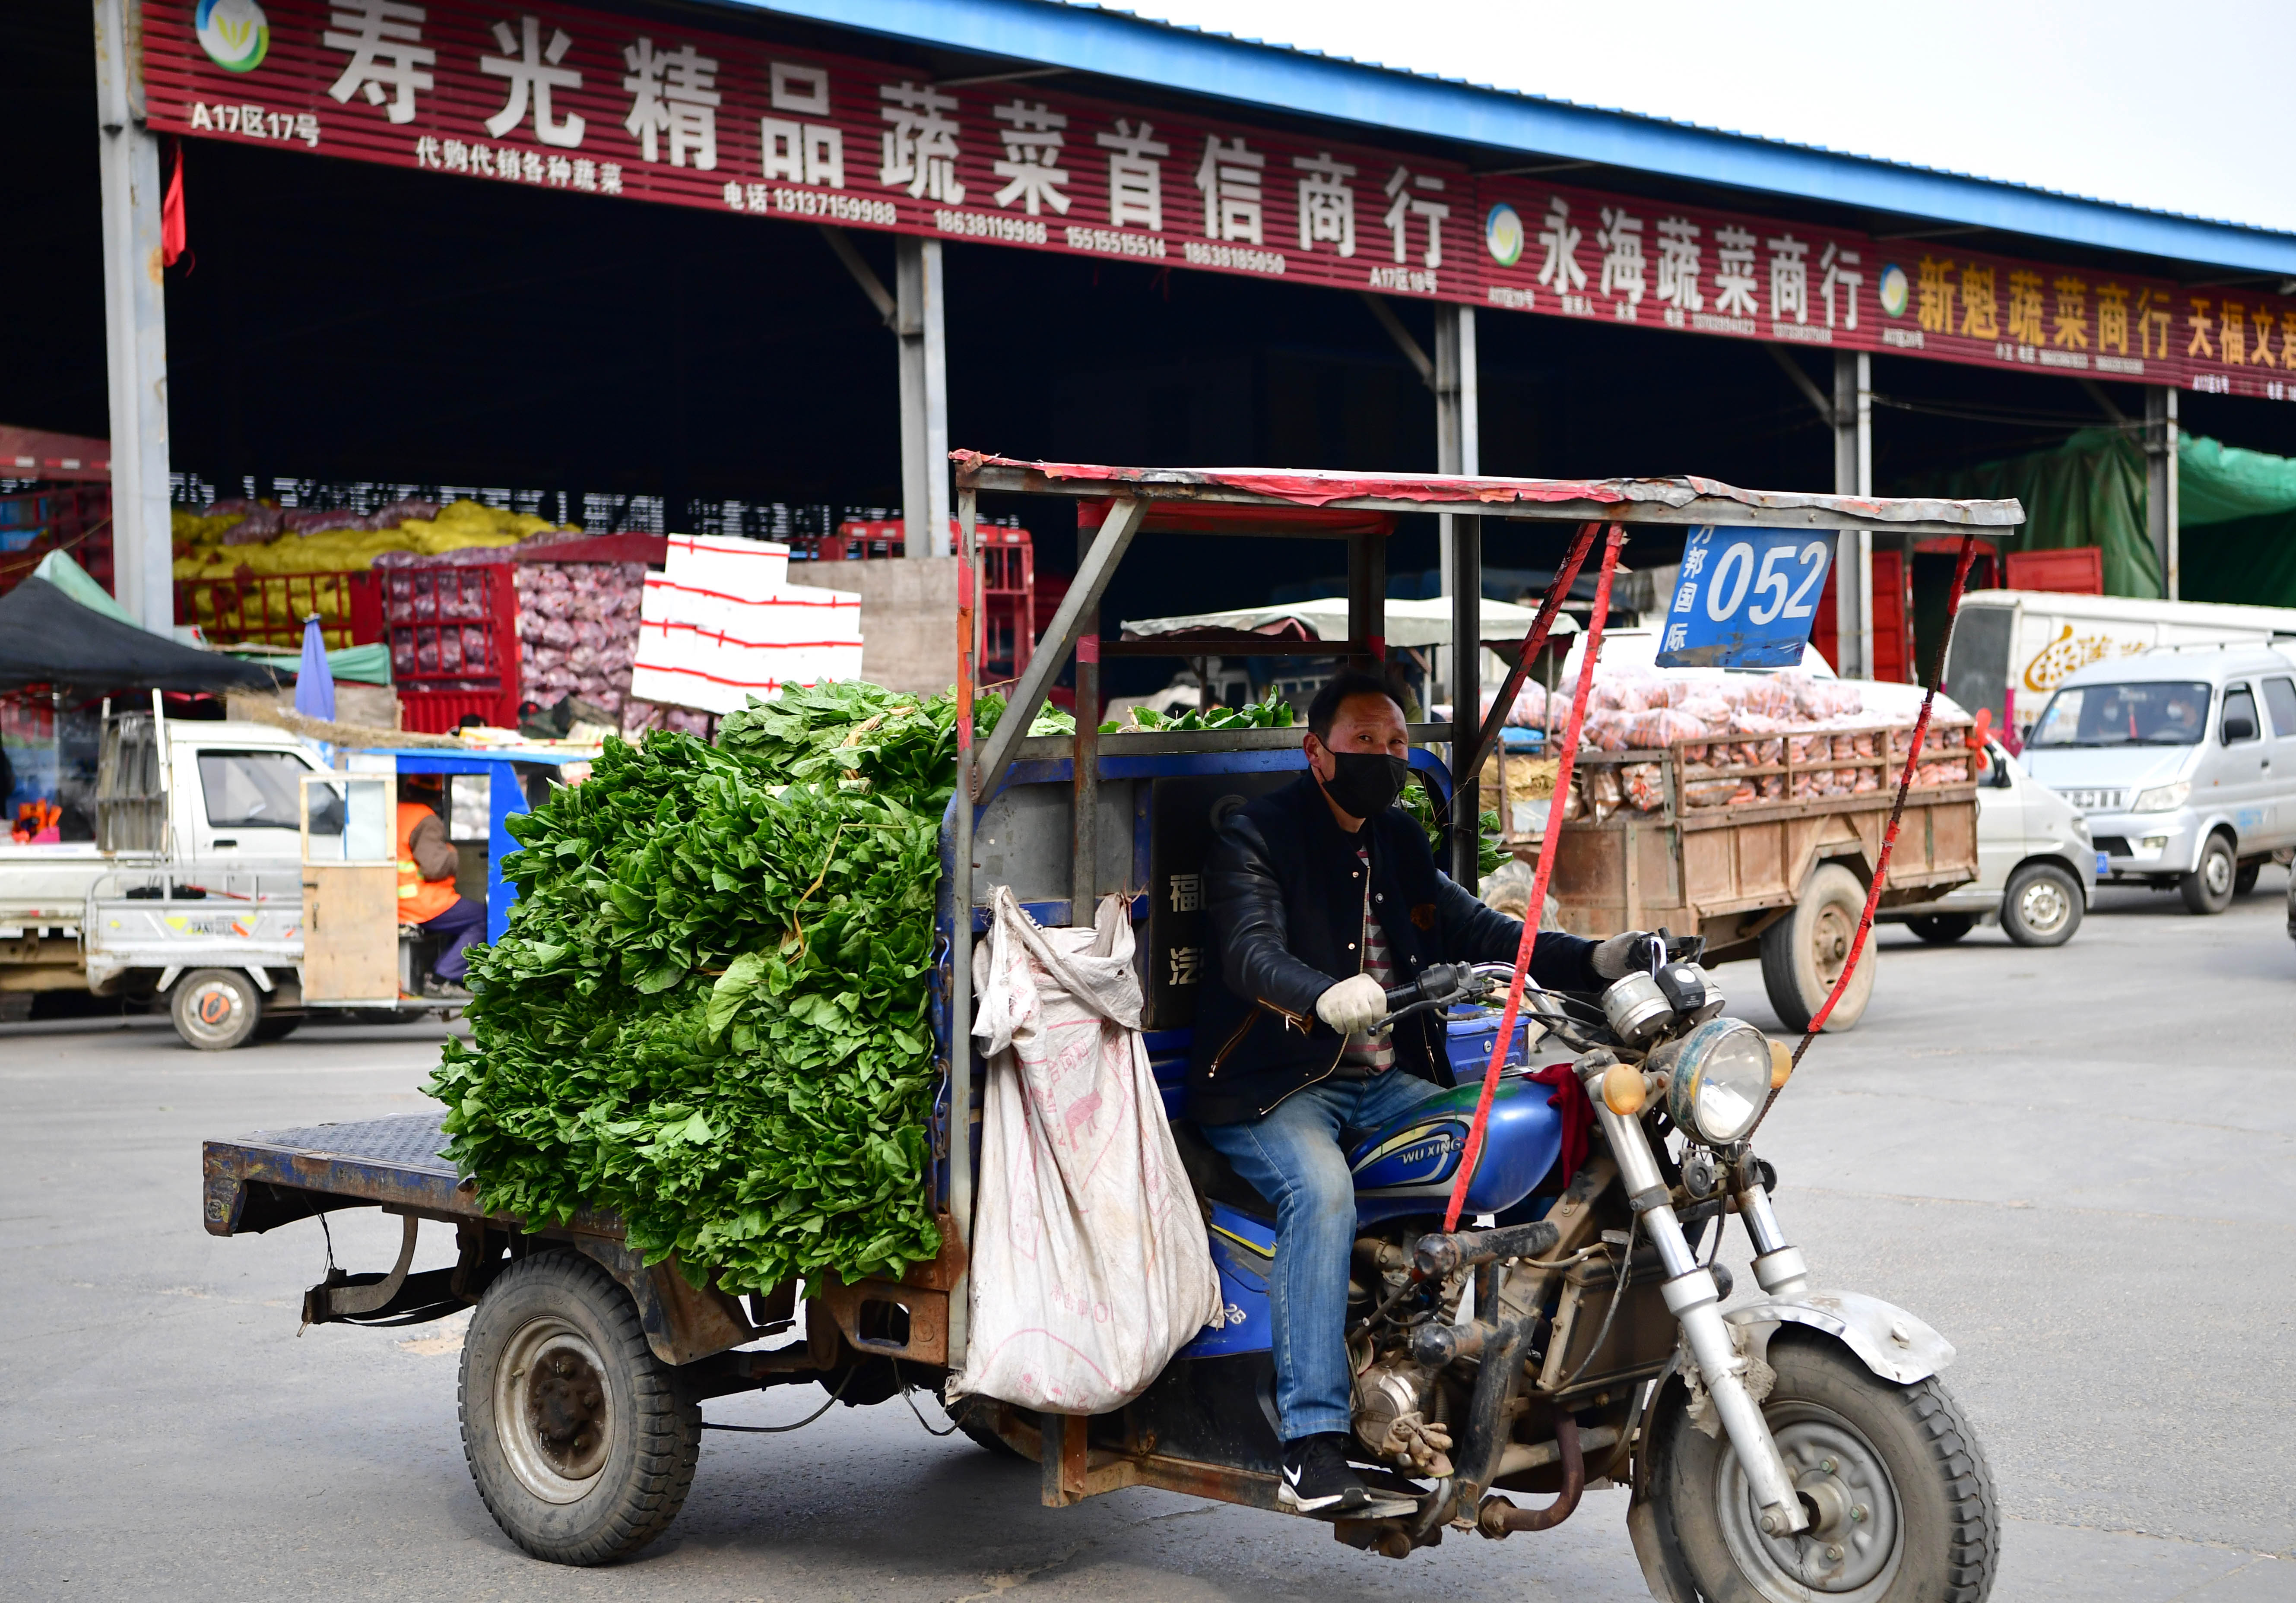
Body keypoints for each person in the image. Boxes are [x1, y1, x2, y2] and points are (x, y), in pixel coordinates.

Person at [1186, 668, 1650, 1518]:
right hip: (1273, 1088)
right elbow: (1248, 950)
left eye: (1399, 743)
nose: (1387, 757)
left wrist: (1597, 957)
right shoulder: (1260, 834)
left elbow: (1480, 929)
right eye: (1367, 742)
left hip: (1383, 1082)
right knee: (1319, 1192)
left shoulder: (1395, 838)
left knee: (1532, 1123)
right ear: (1317, 752)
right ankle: (1312, 1442)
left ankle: (1506, 1364)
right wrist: (1315, 992)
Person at [396, 791, 483, 994]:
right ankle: (441, 978)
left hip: (402, 901)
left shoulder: (399, 811)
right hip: (419, 903)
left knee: (463, 921)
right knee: (483, 918)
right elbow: (434, 868)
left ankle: (446, 974)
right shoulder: (425, 818)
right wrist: (452, 854)